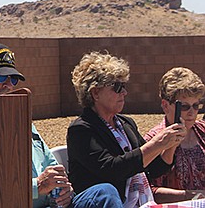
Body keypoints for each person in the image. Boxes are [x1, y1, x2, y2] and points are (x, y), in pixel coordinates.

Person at [0, 42, 123, 208]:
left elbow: (52, 167)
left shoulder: (23, 121)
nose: (8, 86)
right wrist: (38, 186)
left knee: (104, 193)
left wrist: (64, 189)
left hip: (51, 204)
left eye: (13, 80)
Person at [67, 51, 186, 208]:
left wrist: (171, 143)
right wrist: (157, 143)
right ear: (95, 92)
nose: (124, 92)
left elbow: (155, 168)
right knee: (107, 191)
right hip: (103, 202)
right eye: (117, 87)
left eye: (123, 86)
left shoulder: (126, 124)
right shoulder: (81, 129)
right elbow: (112, 169)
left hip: (135, 201)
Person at [144, 67, 205, 203]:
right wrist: (192, 196)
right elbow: (149, 191)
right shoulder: (153, 140)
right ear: (166, 106)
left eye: (196, 106)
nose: (191, 113)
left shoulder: (202, 131)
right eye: (184, 106)